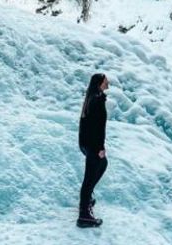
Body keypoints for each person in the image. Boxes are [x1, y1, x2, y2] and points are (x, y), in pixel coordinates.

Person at [77, 72, 109, 228]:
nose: (108, 83)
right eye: (105, 81)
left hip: (87, 144)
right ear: (99, 83)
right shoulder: (97, 100)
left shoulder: (92, 98)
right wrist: (99, 148)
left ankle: (87, 200)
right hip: (92, 145)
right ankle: (84, 216)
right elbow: (98, 127)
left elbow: (87, 125)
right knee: (89, 178)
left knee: (102, 165)